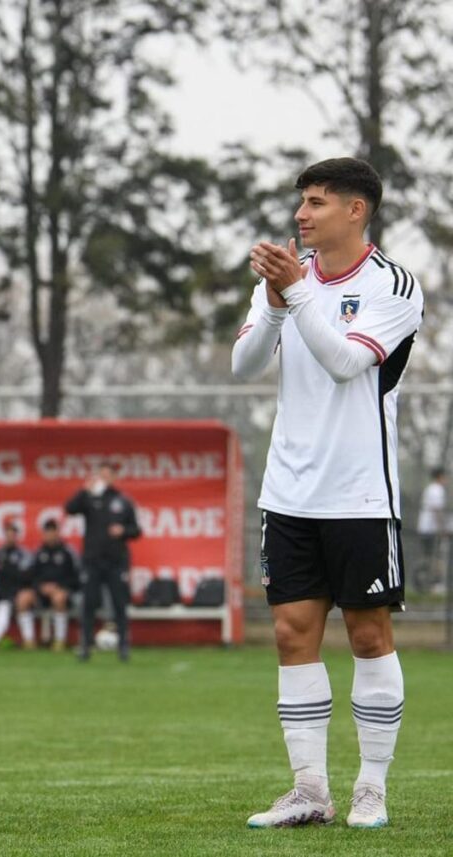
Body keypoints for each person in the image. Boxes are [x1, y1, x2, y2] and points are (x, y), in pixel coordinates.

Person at [233, 158, 423, 829]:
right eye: (300, 202)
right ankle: (309, 789)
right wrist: (279, 305)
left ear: (355, 210)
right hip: (288, 492)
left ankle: (371, 786)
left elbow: (347, 364)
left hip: (360, 495)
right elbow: (244, 363)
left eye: (315, 202)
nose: (301, 214)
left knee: (369, 635)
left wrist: (297, 296)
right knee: (291, 634)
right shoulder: (287, 277)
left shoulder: (393, 285)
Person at [65, 462, 141, 663]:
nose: (104, 478)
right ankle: (85, 645)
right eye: (101, 475)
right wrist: (84, 490)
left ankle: (123, 646)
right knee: (88, 604)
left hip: (116, 561)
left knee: (119, 605)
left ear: (114, 477)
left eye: (108, 475)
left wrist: (123, 531)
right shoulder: (89, 498)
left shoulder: (122, 500)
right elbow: (69, 509)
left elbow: (136, 530)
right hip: (92, 561)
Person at [17, 519, 79, 652]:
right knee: (22, 598)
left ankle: (59, 640)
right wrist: (40, 587)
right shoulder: (38, 553)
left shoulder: (68, 552)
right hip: (41, 592)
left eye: (53, 532)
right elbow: (29, 576)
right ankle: (29, 641)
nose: (50, 535)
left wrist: (59, 586)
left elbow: (76, 576)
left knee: (59, 598)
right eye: (47, 532)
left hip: (62, 591)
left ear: (58, 532)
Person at [414, 468, 446, 594]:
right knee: (436, 558)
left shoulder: (430, 489)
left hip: (424, 527)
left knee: (428, 557)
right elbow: (436, 510)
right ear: (440, 477)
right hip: (431, 529)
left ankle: (425, 584)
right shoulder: (437, 490)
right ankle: (435, 584)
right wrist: (442, 528)